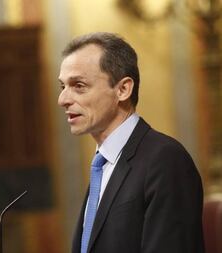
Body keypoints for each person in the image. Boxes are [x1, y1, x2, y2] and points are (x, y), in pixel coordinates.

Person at [57, 32, 205, 253]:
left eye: (78, 85)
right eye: (63, 87)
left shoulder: (165, 160)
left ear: (123, 89)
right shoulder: (103, 164)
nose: (63, 100)